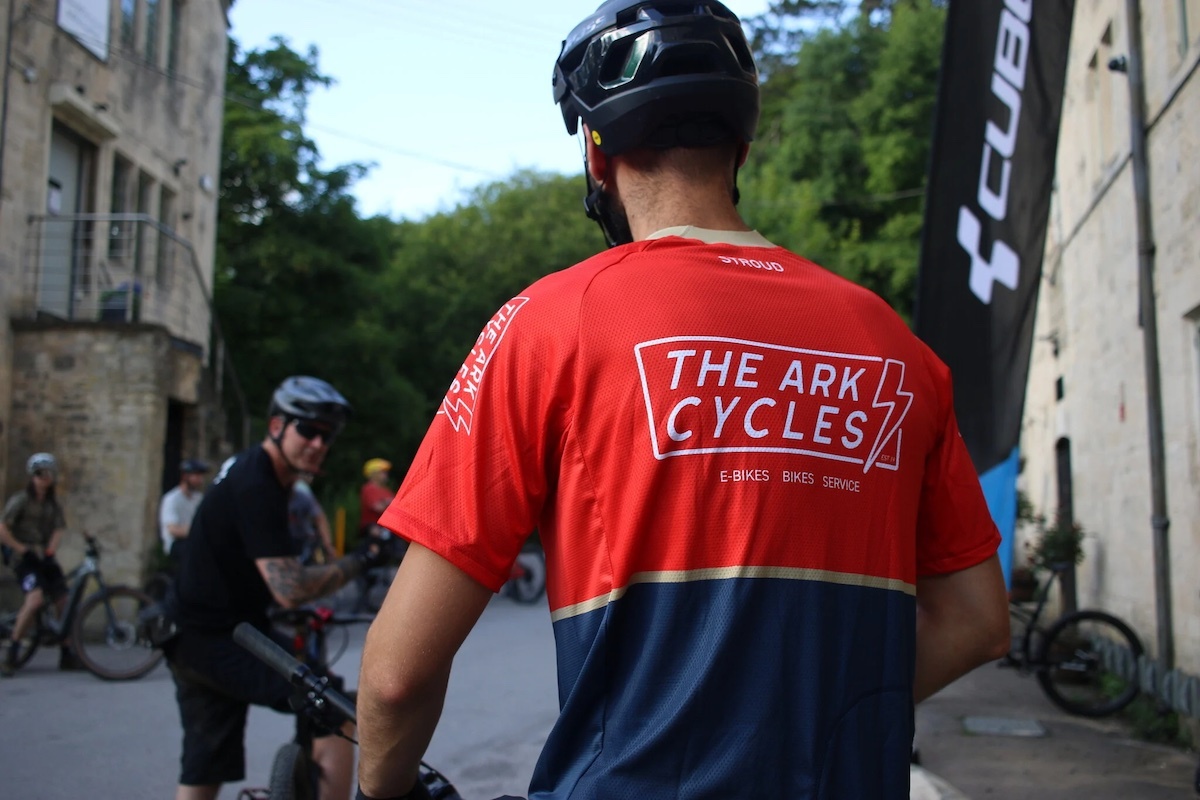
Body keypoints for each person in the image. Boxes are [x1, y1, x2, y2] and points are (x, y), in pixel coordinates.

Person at [355, 2, 1010, 798]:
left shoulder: (550, 323)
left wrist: (378, 790)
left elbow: (395, 677)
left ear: (598, 153)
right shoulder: (894, 345)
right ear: (741, 143)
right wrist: (794, 725)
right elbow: (977, 622)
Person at [164, 376, 379, 800]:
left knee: (205, 762)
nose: (319, 443)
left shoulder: (259, 473)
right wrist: (364, 559)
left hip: (191, 632)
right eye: (309, 430)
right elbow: (291, 589)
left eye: (328, 435)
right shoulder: (257, 483)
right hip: (219, 637)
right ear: (277, 426)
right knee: (332, 704)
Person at [0, 452, 77, 676]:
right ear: (33, 477)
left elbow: (58, 527)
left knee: (64, 601)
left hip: (44, 556)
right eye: (39, 475)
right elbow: (3, 528)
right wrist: (21, 549)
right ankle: (13, 651)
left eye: (47, 474)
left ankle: (67, 652)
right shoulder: (21, 500)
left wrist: (51, 550)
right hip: (24, 558)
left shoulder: (52, 503)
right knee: (34, 601)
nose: (44, 479)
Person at [159, 458, 210, 565]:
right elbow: (173, 530)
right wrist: (197, 530)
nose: (199, 479)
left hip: (194, 541)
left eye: (201, 476)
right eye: (196, 475)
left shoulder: (198, 498)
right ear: (185, 476)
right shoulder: (172, 499)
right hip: (176, 544)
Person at [290, 476, 336, 565]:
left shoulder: (301, 494)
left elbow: (319, 517)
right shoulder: (301, 488)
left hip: (301, 538)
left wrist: (328, 546)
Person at [358, 458, 394, 538]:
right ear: (374, 473)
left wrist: (385, 503)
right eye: (383, 472)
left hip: (387, 527)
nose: (386, 474)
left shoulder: (387, 491)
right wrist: (388, 503)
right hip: (373, 528)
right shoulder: (368, 489)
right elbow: (377, 508)